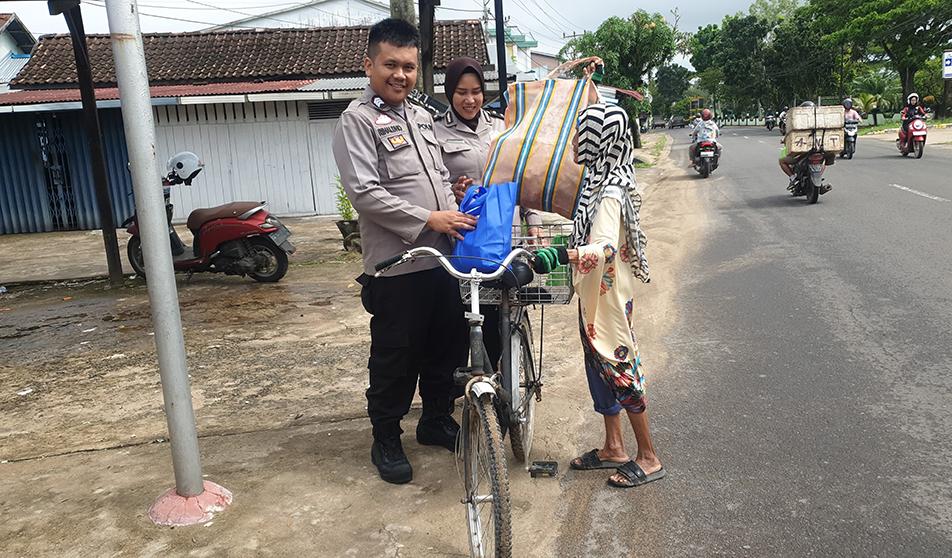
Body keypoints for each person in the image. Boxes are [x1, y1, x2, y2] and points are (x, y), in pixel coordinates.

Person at [332, 18, 475, 485]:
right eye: (390, 65)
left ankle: (435, 420)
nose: (400, 75)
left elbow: (437, 179)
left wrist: (453, 206)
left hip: (443, 261)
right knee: (396, 357)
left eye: (409, 67)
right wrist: (429, 218)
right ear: (368, 65)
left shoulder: (421, 116)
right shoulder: (357, 121)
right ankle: (387, 438)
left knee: (445, 348)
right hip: (397, 267)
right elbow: (364, 193)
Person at [564, 103, 665, 489]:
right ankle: (614, 446)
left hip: (608, 301)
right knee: (599, 370)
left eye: (581, 134)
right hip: (596, 297)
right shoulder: (596, 182)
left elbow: (604, 247)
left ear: (599, 139)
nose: (576, 141)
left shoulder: (609, 192)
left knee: (621, 370)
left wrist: (565, 255)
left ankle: (649, 456)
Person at [434, 56, 543, 369]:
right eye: (461, 92)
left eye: (476, 91)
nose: (470, 100)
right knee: (462, 322)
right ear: (449, 93)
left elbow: (520, 178)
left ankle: (500, 380)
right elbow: (434, 182)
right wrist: (453, 192)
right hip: (465, 243)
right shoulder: (435, 132)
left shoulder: (502, 126)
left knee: (500, 320)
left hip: (505, 238)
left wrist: (533, 221)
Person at [779, 101, 834, 193]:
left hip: (803, 152)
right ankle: (818, 177)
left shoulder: (799, 122)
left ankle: (793, 178)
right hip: (819, 150)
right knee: (825, 160)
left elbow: (790, 134)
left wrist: (784, 140)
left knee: (782, 161)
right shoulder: (820, 122)